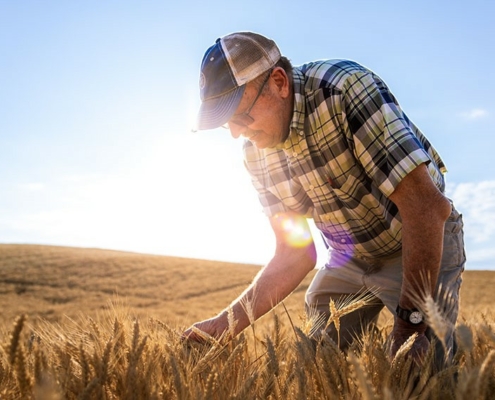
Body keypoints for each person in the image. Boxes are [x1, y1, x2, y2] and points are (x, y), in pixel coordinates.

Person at [184, 31, 465, 366]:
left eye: (241, 115)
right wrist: (223, 325)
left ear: (278, 82)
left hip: (419, 238)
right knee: (315, 363)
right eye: (225, 123)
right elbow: (295, 253)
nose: (235, 132)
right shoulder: (256, 154)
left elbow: (425, 208)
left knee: (421, 367)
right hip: (351, 258)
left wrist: (409, 326)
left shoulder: (344, 89)